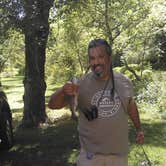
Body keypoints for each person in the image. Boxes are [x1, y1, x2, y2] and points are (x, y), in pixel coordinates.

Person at [48, 38, 144, 166]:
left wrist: (139, 130)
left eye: (100, 57)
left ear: (109, 58)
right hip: (90, 156)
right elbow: (53, 105)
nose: (96, 62)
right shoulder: (81, 83)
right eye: (92, 58)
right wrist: (63, 90)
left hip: (118, 156)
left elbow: (131, 106)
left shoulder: (124, 82)